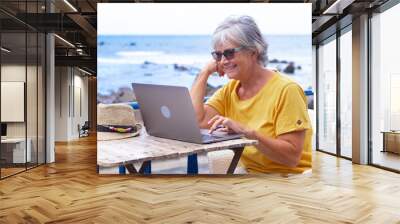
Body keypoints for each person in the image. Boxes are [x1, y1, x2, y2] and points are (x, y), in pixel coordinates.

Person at [190, 15, 312, 173]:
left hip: (289, 179)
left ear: (253, 52)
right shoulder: (230, 90)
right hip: (250, 175)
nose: (223, 61)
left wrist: (246, 132)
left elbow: (291, 158)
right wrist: (204, 73)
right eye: (218, 55)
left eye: (229, 53)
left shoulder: (287, 90)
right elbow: (196, 120)